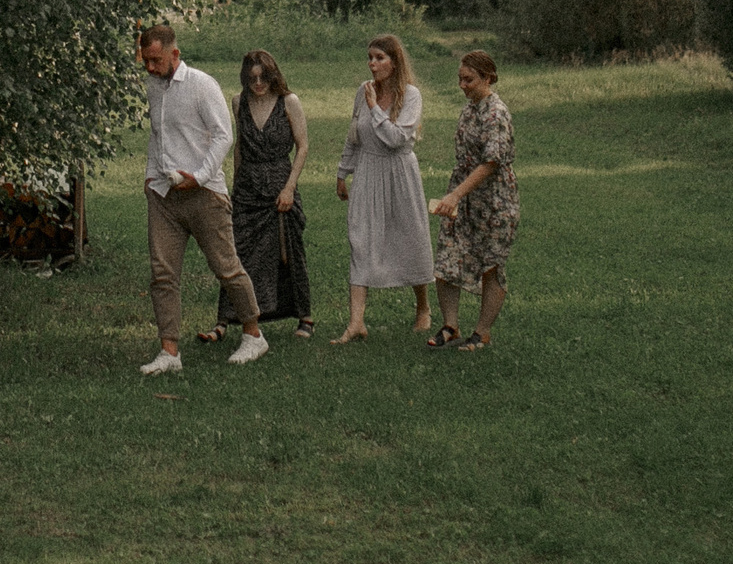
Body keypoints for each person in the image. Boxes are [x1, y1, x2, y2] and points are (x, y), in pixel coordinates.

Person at [134, 24, 268, 373]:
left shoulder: (201, 85)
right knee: (163, 274)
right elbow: (159, 136)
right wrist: (151, 178)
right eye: (145, 60)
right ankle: (169, 353)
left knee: (226, 266)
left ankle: (254, 335)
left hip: (205, 194)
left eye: (156, 60)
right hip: (164, 195)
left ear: (174, 54)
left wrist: (200, 177)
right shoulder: (153, 86)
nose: (150, 67)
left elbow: (224, 136)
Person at [198, 49, 312, 343]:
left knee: (288, 251)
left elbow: (302, 146)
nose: (258, 84)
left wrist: (289, 187)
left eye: (263, 77)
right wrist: (235, 187)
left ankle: (304, 316)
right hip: (248, 186)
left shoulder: (289, 102)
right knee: (237, 252)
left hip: (279, 183)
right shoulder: (239, 102)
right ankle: (224, 320)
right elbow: (238, 148)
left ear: (273, 75)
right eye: (252, 79)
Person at [332, 33, 433, 343]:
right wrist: (342, 172)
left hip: (400, 172)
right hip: (367, 171)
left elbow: (395, 139)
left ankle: (423, 307)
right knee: (360, 239)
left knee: (410, 237)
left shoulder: (411, 95)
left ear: (394, 62)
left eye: (379, 58)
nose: (372, 64)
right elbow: (355, 135)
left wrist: (376, 108)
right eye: (370, 58)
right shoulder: (362, 92)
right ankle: (356, 322)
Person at [427, 48, 518, 352]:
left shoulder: (497, 113)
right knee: (447, 258)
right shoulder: (469, 108)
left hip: (494, 202)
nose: (462, 85)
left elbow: (491, 162)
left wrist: (455, 194)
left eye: (469, 80)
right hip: (463, 198)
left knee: (490, 264)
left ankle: (482, 332)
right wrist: (456, 196)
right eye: (460, 79)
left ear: (488, 78)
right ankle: (450, 326)